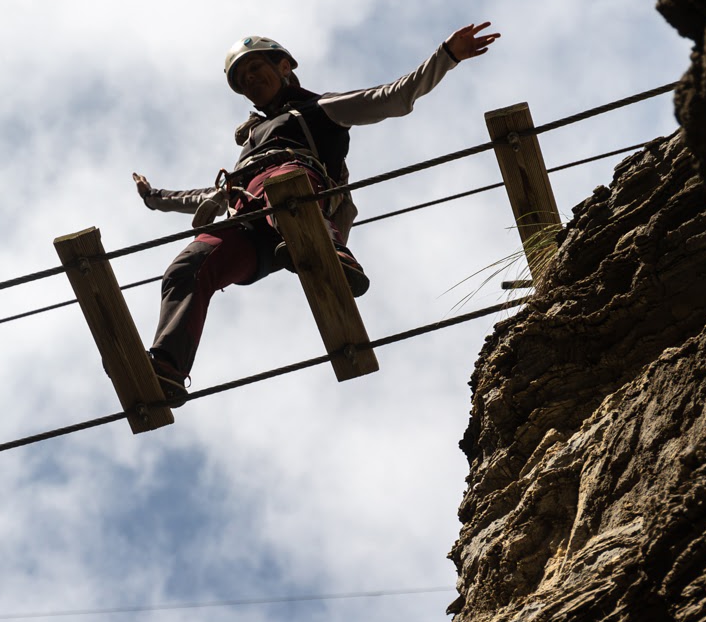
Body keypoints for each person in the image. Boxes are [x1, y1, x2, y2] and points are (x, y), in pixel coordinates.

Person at [133, 23, 499, 406]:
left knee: (281, 182)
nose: (251, 80)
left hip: (296, 200)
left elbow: (393, 97)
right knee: (187, 267)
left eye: (256, 68)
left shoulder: (317, 109)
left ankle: (329, 250)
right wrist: (155, 197)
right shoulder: (253, 145)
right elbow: (210, 196)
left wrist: (448, 55)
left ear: (285, 65)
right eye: (242, 79)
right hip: (251, 227)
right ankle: (169, 367)